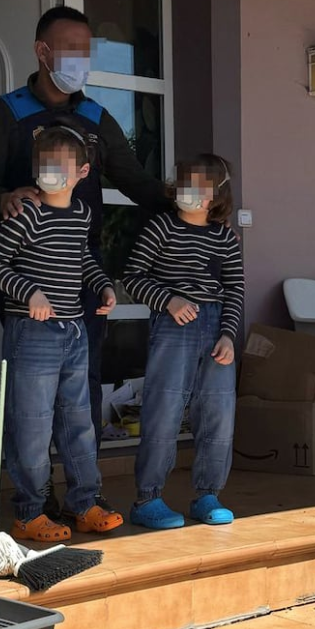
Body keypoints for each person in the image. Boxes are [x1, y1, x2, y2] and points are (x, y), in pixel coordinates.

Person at [0, 5, 172, 515]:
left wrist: (189, 208)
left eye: (85, 49)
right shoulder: (5, 115)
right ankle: (34, 501)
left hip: (82, 267)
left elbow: (135, 181)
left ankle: (84, 497)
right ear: (43, 51)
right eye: (70, 48)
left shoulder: (96, 118)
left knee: (81, 390)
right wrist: (2, 198)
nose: (80, 58)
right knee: (33, 398)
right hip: (24, 274)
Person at [0, 124, 124, 541]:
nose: (51, 172)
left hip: (74, 331)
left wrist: (104, 284)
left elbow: (82, 259)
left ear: (82, 172)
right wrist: (30, 293)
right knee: (32, 425)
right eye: (45, 165)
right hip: (33, 334)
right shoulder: (25, 214)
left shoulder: (81, 214)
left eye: (61, 166)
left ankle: (84, 503)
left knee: (78, 423)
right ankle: (29, 513)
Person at [122, 154, 245, 529]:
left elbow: (234, 289)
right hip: (173, 326)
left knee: (218, 414)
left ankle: (208, 494)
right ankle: (148, 498)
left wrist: (228, 335)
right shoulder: (161, 227)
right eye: (183, 183)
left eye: (198, 186)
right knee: (164, 411)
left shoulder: (225, 237)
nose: (187, 191)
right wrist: (168, 300)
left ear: (216, 194)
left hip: (216, 329)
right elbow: (133, 276)